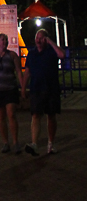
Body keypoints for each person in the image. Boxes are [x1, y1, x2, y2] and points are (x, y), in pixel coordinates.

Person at [22, 28, 65, 156]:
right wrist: (23, 87)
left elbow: (62, 55)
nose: (38, 40)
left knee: (51, 116)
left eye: (41, 38)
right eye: (37, 37)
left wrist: (51, 42)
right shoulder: (32, 53)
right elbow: (27, 72)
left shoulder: (51, 52)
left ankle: (51, 144)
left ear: (46, 39)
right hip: (36, 89)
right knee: (35, 115)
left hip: (51, 89)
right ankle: (34, 143)